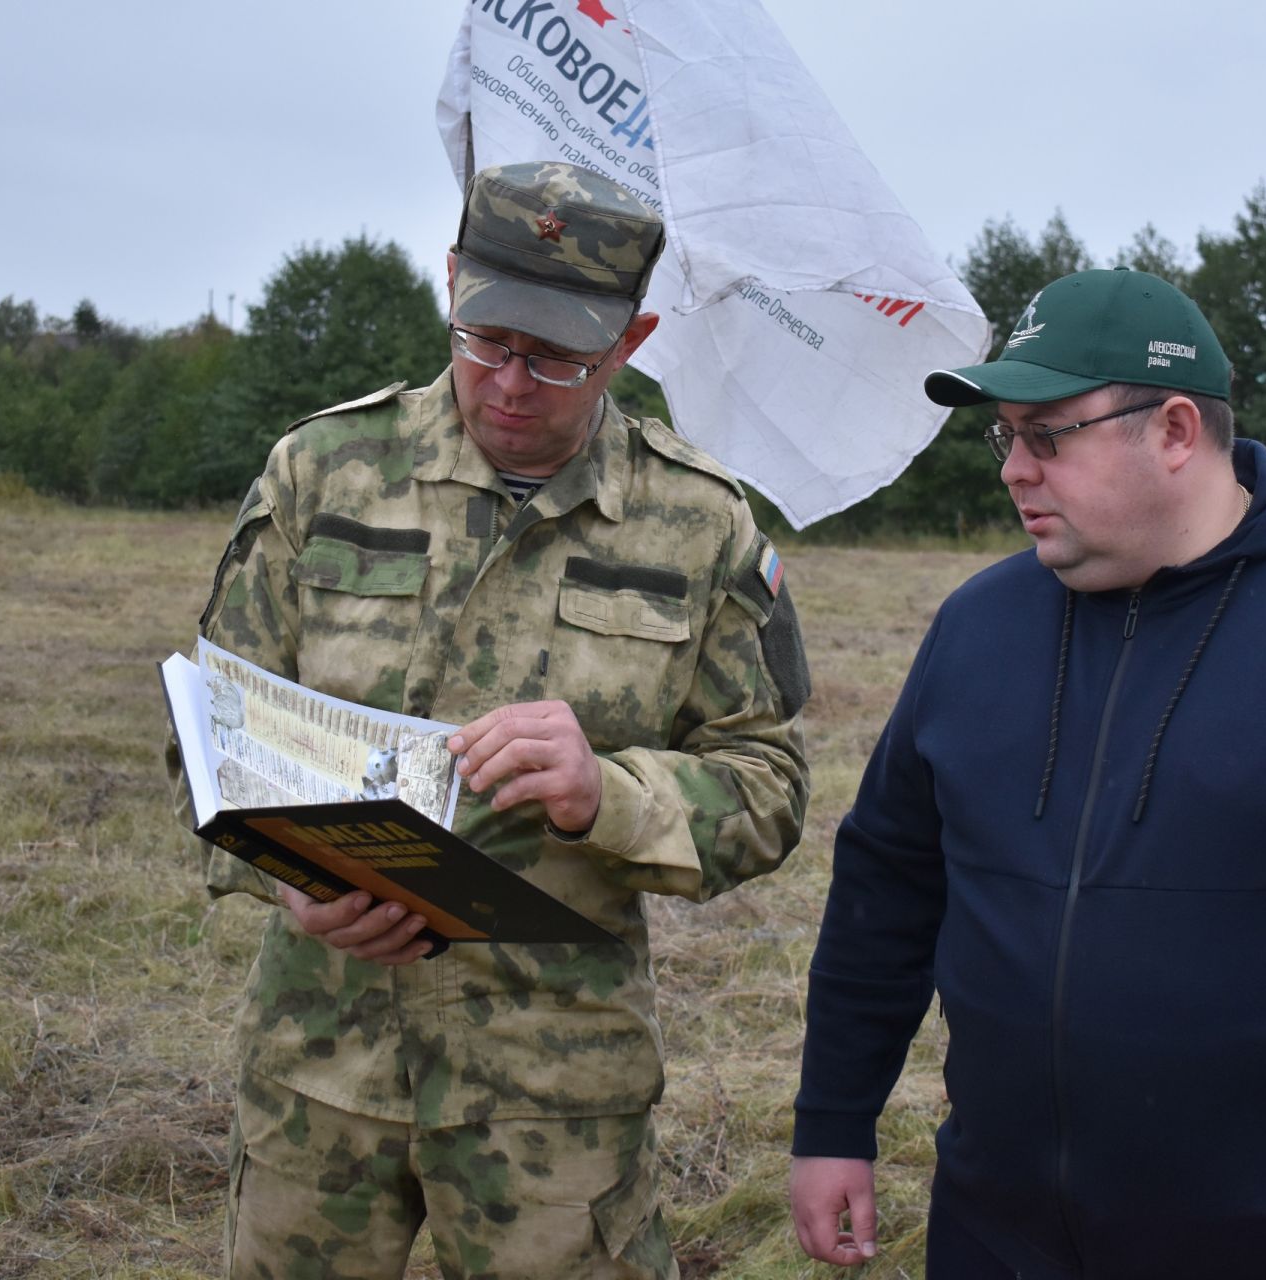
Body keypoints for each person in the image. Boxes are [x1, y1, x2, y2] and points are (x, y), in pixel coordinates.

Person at [787, 268, 1266, 1279]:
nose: (1014, 470)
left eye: (1049, 435)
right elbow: (887, 885)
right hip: (996, 1233)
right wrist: (834, 1116)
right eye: (1006, 436)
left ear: (1175, 429)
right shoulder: (977, 628)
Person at [181, 161, 811, 1279]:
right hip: (316, 1070)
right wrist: (281, 874)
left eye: (560, 355)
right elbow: (207, 735)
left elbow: (766, 785)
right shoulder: (321, 472)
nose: (512, 383)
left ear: (633, 336)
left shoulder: (700, 523)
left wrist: (607, 795)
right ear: (453, 283)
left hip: (555, 1094)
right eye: (488, 339)